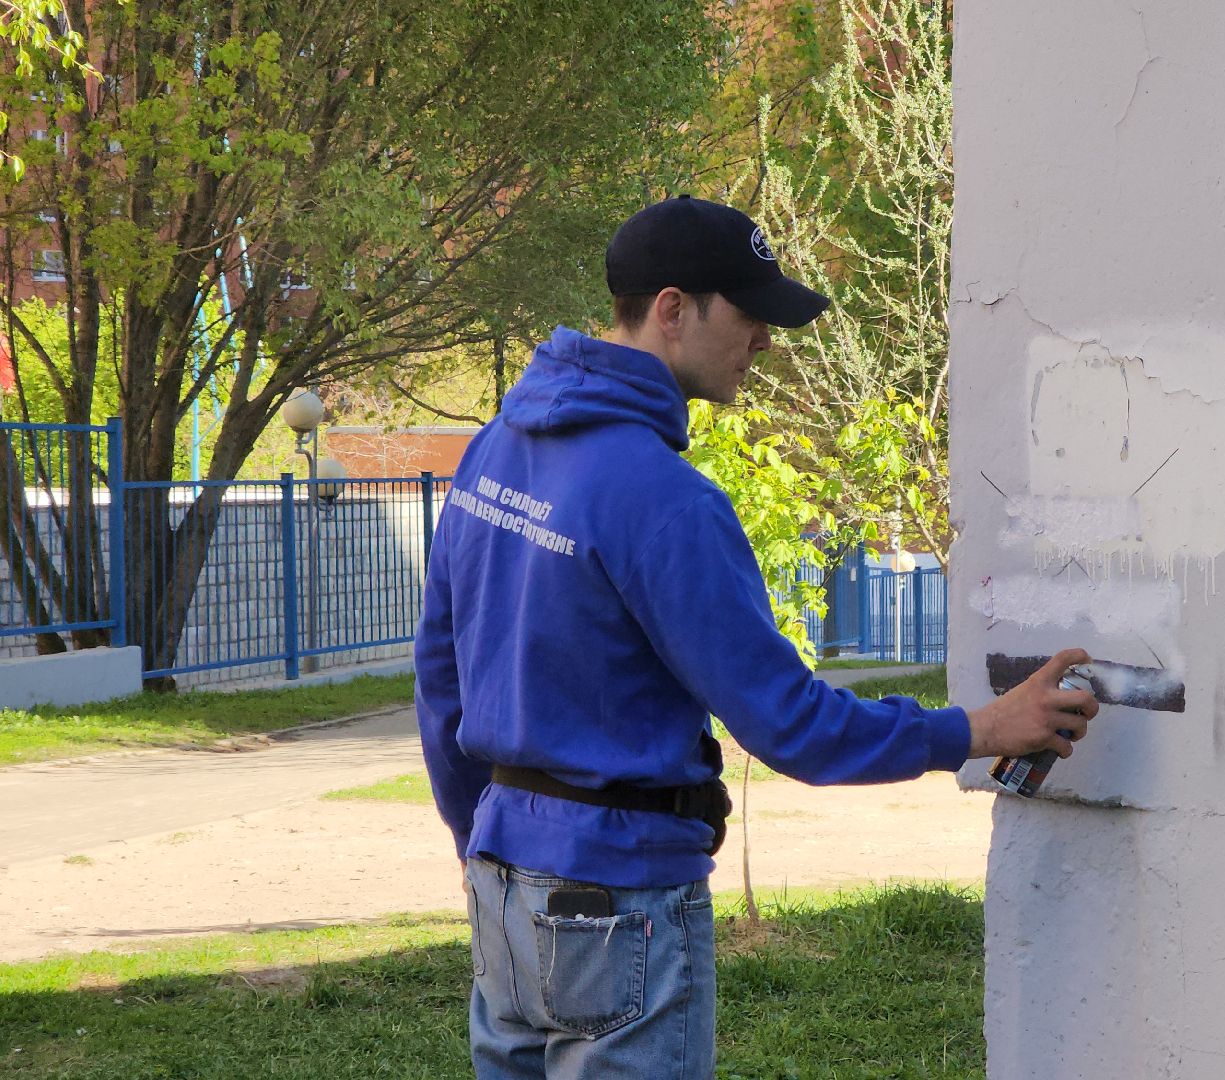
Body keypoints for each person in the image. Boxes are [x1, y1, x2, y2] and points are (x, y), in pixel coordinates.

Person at [415, 194, 1098, 1080]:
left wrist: (480, 841)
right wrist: (977, 729)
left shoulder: (494, 452)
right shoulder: (666, 501)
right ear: (672, 310)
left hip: (503, 884)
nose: (766, 342)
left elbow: (440, 678)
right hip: (619, 897)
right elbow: (790, 724)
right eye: (748, 314)